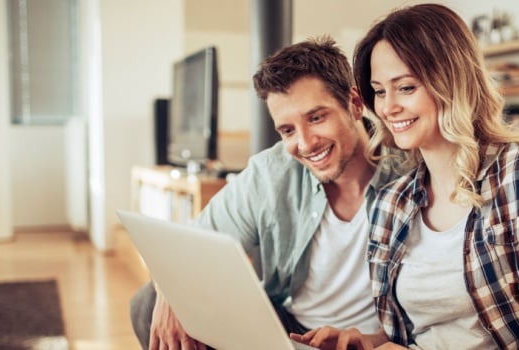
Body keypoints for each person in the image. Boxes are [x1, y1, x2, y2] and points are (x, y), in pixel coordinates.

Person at [297, 4, 519, 350]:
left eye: (405, 87)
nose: (387, 107)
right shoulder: (392, 203)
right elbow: (413, 333)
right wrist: (367, 342)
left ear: (450, 81)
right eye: (380, 91)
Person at [129, 36, 403, 350]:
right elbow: (187, 248)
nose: (305, 143)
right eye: (287, 130)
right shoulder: (272, 171)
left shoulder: (408, 170)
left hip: (368, 342)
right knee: (148, 302)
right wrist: (170, 293)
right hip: (288, 330)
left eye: (316, 117)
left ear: (354, 103)